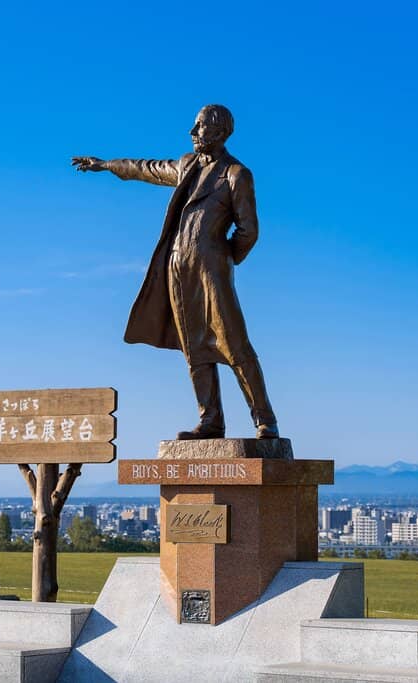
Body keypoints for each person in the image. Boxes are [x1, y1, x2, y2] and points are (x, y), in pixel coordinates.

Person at [72, 104, 279, 440]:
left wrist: (220, 258)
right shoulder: (187, 165)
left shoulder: (236, 175)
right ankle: (210, 420)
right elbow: (148, 169)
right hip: (178, 271)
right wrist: (107, 165)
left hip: (212, 272)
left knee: (234, 344)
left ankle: (264, 419)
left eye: (199, 126)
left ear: (219, 131)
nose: (192, 132)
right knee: (194, 347)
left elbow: (248, 231)